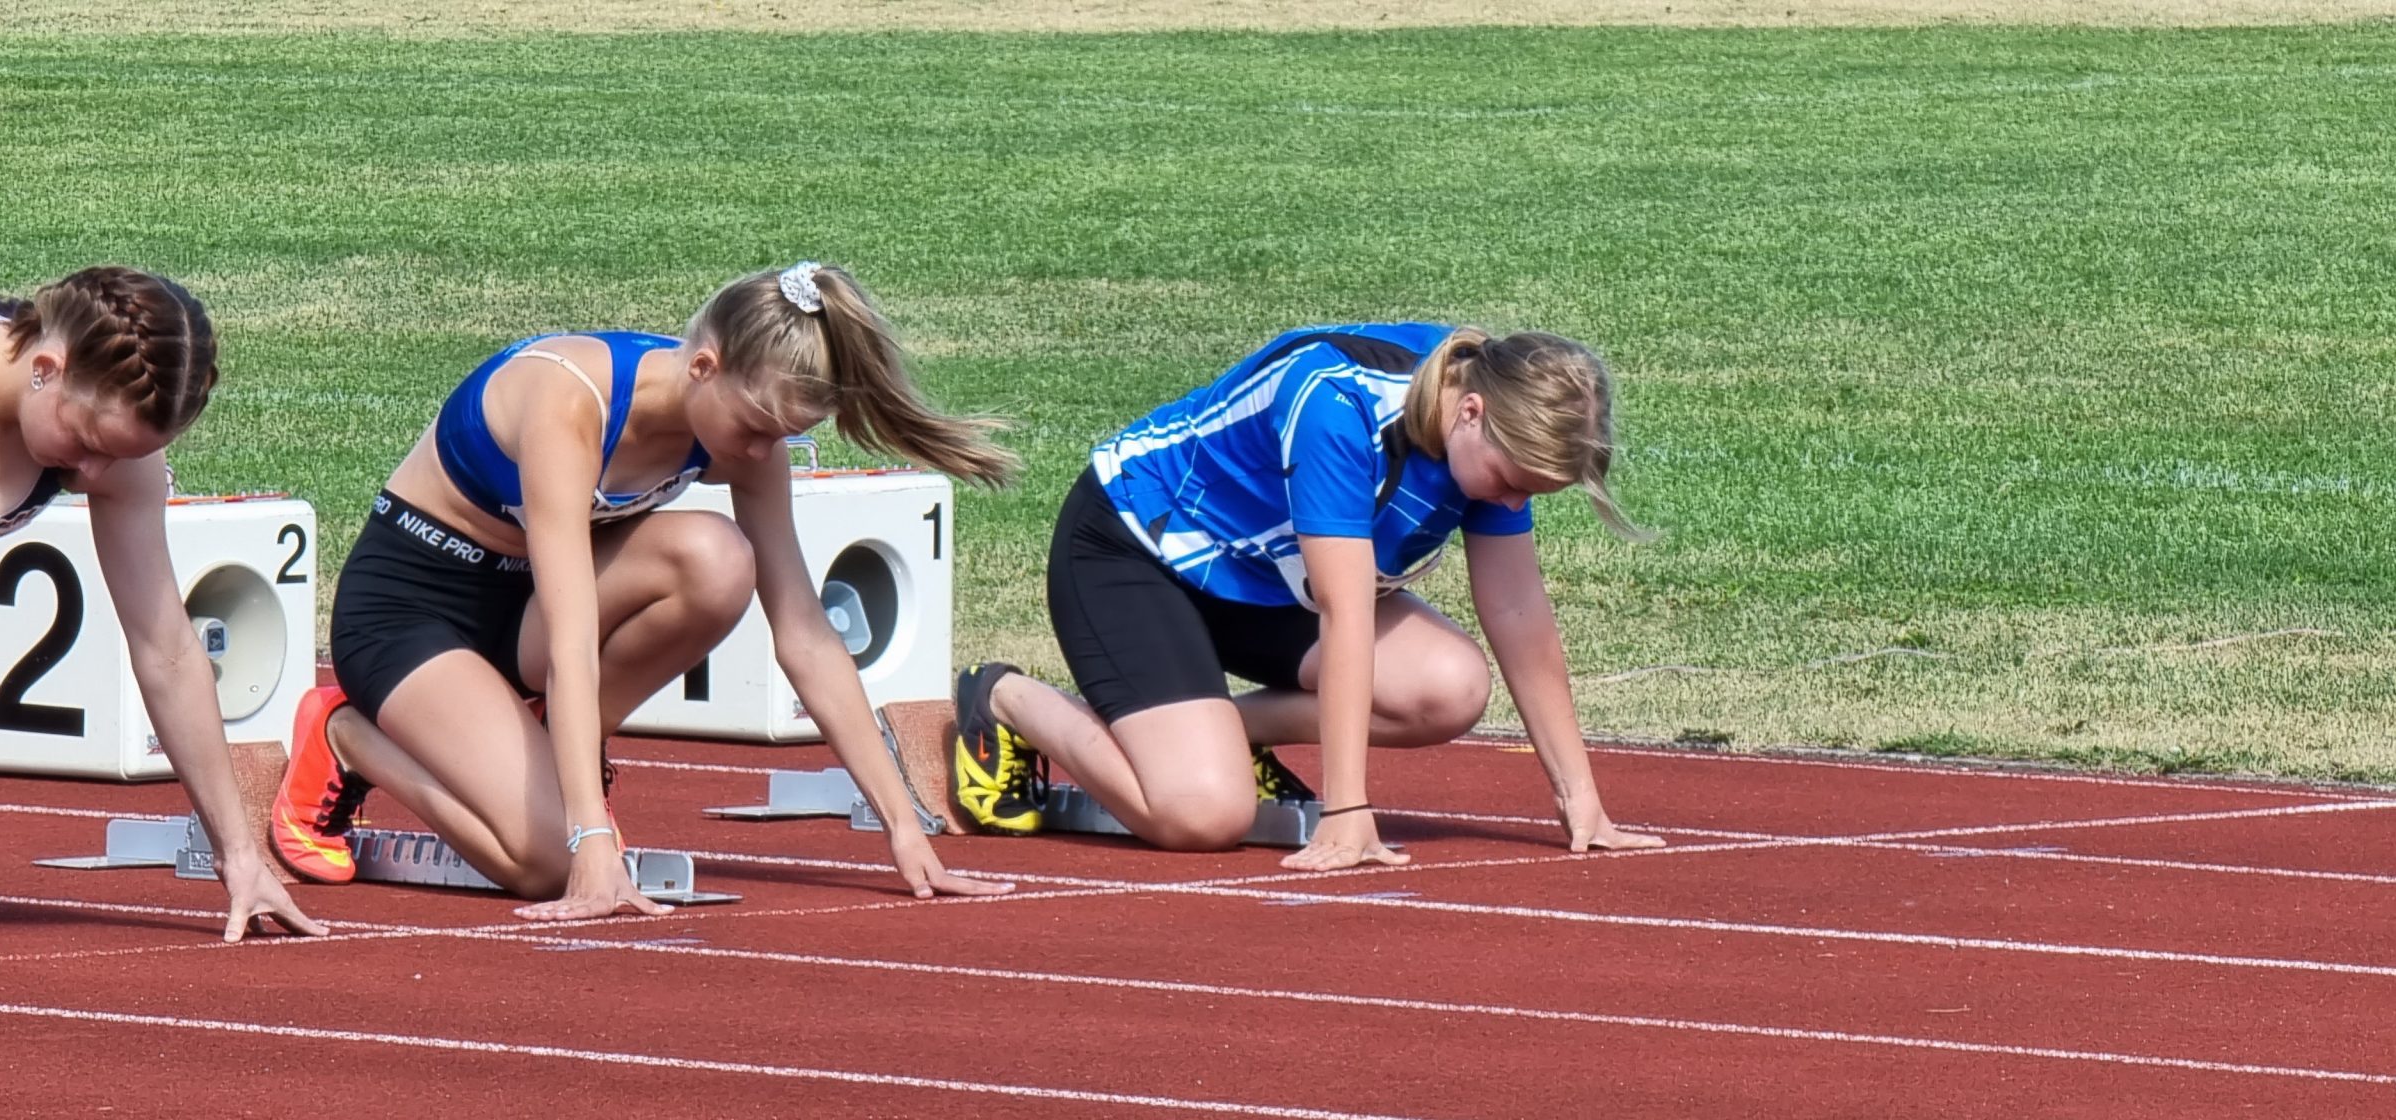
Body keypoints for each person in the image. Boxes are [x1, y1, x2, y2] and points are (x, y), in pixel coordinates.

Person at [271, 263, 1015, 919]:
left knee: (718, 560)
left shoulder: (743, 427)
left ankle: (543, 744)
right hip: (411, 614)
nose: (762, 452)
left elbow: (804, 631)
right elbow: (572, 640)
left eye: (784, 435)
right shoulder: (569, 401)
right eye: (757, 427)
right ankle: (349, 738)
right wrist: (589, 835)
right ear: (703, 367)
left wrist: (903, 825)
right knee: (550, 864)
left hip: (524, 616)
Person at [951, 323, 1666, 870]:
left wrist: (1581, 798)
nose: (1512, 503)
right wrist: (1347, 810)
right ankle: (1008, 700)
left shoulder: (1489, 425)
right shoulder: (1337, 404)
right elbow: (1344, 612)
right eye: (1511, 482)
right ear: (1471, 412)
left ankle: (1216, 734)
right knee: (1202, 816)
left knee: (1449, 688)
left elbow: (1518, 612)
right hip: (1135, 550)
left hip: (1266, 581)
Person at [0, 267, 322, 939]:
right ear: (46, 369)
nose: (93, 474)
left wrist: (238, 853)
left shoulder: (114, 450)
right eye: (87, 443)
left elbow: (167, 649)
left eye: (120, 455)